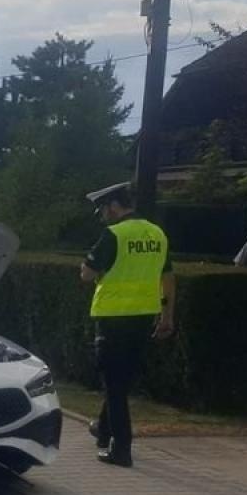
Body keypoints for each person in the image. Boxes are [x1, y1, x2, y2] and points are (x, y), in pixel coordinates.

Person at [80, 182, 174, 468]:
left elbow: (87, 274)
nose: (101, 216)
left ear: (114, 206)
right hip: (143, 317)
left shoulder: (114, 234)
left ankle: (121, 448)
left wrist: (88, 269)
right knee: (121, 381)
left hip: (113, 318)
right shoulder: (157, 234)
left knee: (114, 385)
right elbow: (168, 276)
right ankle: (103, 429)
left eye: (102, 210)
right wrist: (168, 316)